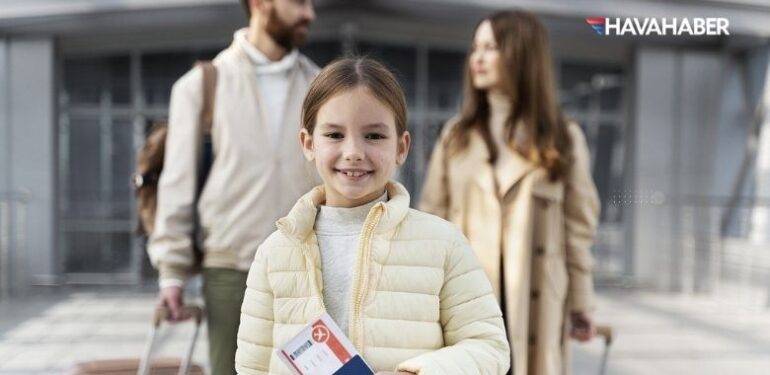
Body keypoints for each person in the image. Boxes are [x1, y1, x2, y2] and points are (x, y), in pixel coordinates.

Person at [234, 57, 510, 375]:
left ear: (401, 147)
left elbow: (489, 347)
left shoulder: (444, 244)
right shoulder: (274, 253)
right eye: (335, 135)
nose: (353, 151)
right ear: (308, 143)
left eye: (374, 136)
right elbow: (250, 367)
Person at [420, 10, 601, 375]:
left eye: (491, 47)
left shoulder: (563, 139)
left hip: (537, 302)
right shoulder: (456, 138)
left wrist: (581, 303)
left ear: (521, 54)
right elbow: (430, 221)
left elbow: (577, 231)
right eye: (475, 48)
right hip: (467, 298)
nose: (478, 58)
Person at [147, 0, 318, 373]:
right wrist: (172, 271)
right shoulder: (203, 85)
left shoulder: (320, 87)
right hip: (229, 267)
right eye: (299, 2)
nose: (310, 13)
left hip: (305, 269)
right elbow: (178, 183)